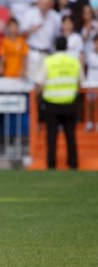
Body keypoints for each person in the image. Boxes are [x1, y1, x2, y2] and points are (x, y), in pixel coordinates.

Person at [35, 37, 82, 169]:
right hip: (70, 103)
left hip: (52, 103)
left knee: (51, 135)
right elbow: (80, 82)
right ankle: (73, 163)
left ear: (55, 46)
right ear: (67, 46)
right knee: (70, 135)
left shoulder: (49, 62)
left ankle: (51, 164)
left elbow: (39, 82)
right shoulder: (74, 62)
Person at [21, 0, 60, 81]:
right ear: (38, 2)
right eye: (41, 2)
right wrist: (32, 29)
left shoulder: (55, 16)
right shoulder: (30, 13)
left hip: (49, 53)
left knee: (48, 80)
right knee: (33, 80)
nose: (43, 5)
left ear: (51, 4)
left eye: (46, 3)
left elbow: (57, 36)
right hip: (34, 53)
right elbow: (22, 34)